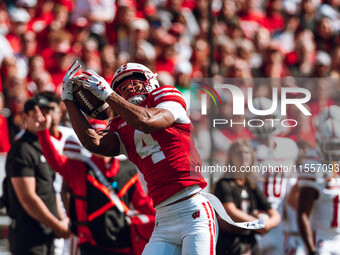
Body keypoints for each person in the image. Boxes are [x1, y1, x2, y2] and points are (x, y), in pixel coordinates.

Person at [62, 61, 264, 254]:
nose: (130, 88)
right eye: (122, 87)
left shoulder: (166, 97)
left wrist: (109, 95)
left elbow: (146, 122)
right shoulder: (121, 125)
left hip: (193, 210)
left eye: (135, 81)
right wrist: (69, 101)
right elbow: (93, 143)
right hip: (163, 218)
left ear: (150, 81)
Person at [35, 110, 156, 255]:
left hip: (124, 243)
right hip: (91, 244)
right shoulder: (80, 168)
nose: (99, 143)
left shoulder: (127, 169)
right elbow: (56, 162)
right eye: (93, 138)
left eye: (103, 136)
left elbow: (144, 205)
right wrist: (43, 133)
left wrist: (163, 219)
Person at [4, 95, 71, 255]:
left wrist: (62, 219)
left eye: (46, 112)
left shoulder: (44, 146)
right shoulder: (22, 149)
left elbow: (50, 188)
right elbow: (27, 197)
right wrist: (56, 224)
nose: (42, 117)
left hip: (48, 235)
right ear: (25, 117)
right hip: (29, 237)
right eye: (36, 114)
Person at [247, 97, 299, 255]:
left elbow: (292, 190)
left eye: (267, 117)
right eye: (259, 119)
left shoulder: (289, 147)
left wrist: (293, 227)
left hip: (280, 222)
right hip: (253, 217)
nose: (264, 122)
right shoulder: (246, 148)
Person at [214, 139, 281, 255]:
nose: (243, 156)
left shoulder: (251, 186)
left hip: (250, 246)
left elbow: (274, 214)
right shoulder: (224, 184)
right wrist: (257, 224)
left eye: (247, 153)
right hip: (229, 247)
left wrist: (268, 224)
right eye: (239, 153)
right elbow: (230, 211)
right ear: (231, 158)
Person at [297, 107, 340, 255]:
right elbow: (302, 212)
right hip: (322, 239)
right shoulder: (313, 165)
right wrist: (311, 249)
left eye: (338, 146)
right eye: (331, 146)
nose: (335, 151)